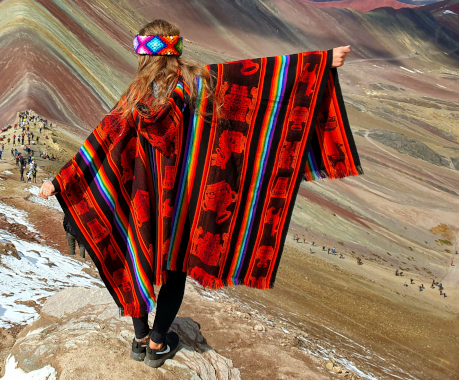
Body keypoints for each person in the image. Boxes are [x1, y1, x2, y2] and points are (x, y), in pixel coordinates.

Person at [39, 19, 355, 368]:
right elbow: (263, 81)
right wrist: (321, 62)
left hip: (145, 203)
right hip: (185, 207)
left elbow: (101, 139)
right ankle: (159, 345)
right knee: (175, 270)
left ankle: (140, 338)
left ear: (143, 55)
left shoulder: (135, 97)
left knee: (134, 261)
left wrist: (61, 181)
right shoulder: (202, 85)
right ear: (176, 50)